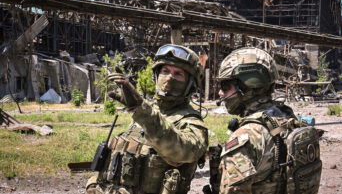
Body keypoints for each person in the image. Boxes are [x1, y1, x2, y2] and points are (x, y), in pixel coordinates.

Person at [86, 44, 208, 194]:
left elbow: (181, 151)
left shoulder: (191, 121)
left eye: (178, 74)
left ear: (190, 84)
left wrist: (141, 109)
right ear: (156, 75)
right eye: (165, 71)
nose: (169, 77)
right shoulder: (147, 111)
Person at [209, 47, 322, 194]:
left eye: (225, 86)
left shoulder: (246, 137)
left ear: (247, 86)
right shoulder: (286, 117)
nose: (220, 93)